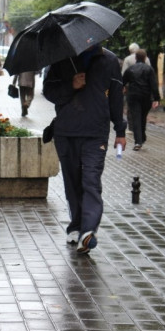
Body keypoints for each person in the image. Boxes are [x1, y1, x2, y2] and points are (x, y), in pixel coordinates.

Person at [43, 44, 126, 254]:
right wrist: (71, 85)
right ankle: (76, 226)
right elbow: (49, 92)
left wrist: (121, 131)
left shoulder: (109, 60)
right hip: (66, 131)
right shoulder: (60, 59)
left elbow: (116, 97)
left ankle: (88, 231)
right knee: (72, 182)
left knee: (91, 180)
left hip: (95, 133)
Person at [122, 49, 160, 151]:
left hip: (133, 96)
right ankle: (141, 137)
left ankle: (138, 141)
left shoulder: (130, 69)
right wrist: (156, 98)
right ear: (145, 58)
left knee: (136, 118)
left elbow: (123, 81)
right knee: (143, 117)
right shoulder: (149, 69)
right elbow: (154, 84)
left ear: (135, 58)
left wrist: (123, 89)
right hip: (146, 97)